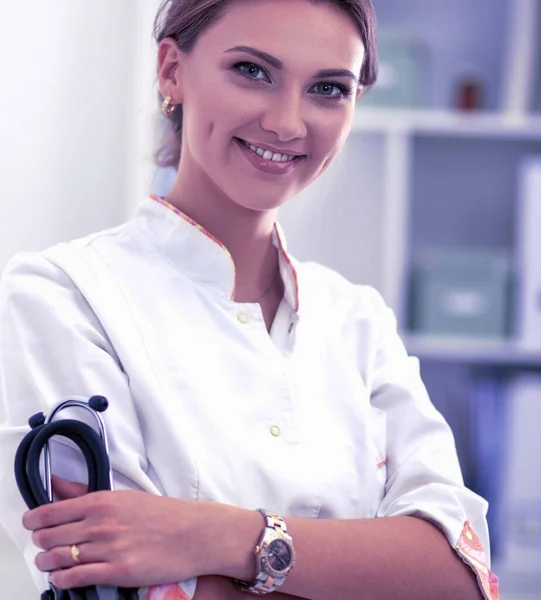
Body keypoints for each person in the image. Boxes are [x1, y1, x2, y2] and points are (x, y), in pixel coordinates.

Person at [0, 0, 499, 599]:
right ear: (171, 71)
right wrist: (368, 563)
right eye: (252, 71)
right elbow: (117, 589)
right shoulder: (62, 297)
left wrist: (220, 536)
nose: (288, 123)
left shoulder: (358, 321)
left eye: (329, 88)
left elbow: (460, 578)